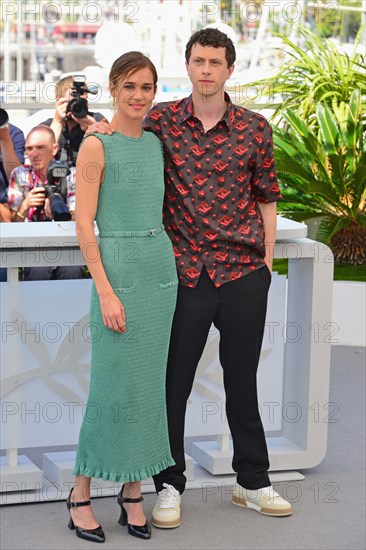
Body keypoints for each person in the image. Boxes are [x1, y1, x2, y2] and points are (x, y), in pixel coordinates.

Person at [87, 28, 293, 528]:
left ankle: (253, 482)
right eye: (198, 60)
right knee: (171, 385)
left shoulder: (254, 128)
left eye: (215, 62)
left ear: (229, 69)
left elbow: (266, 196)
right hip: (182, 276)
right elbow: (121, 131)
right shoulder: (161, 120)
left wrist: (265, 262)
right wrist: (97, 132)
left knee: (243, 381)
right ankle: (170, 485)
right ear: (188, 66)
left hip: (243, 272)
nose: (206, 69)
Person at [68, 51, 178, 543]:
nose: (138, 96)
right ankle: (79, 493)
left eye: (147, 88)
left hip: (160, 278)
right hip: (117, 278)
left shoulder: (156, 144)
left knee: (147, 391)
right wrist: (106, 292)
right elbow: (83, 223)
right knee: (111, 390)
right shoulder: (96, 145)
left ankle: (133, 492)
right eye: (130, 86)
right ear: (112, 88)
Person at [7, 125, 84, 280]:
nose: (34, 154)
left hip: (67, 243)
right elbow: (12, 223)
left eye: (40, 147)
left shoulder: (71, 173)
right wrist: (25, 206)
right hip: (32, 245)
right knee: (38, 269)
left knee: (72, 270)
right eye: (29, 149)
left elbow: (82, 217)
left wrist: (61, 210)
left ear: (54, 148)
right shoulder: (20, 174)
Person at [41, 74, 105, 166]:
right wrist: (57, 123)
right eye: (73, 100)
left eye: (82, 101)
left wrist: (95, 130)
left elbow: (112, 152)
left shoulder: (97, 119)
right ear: (59, 101)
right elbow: (41, 156)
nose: (78, 105)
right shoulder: (47, 127)